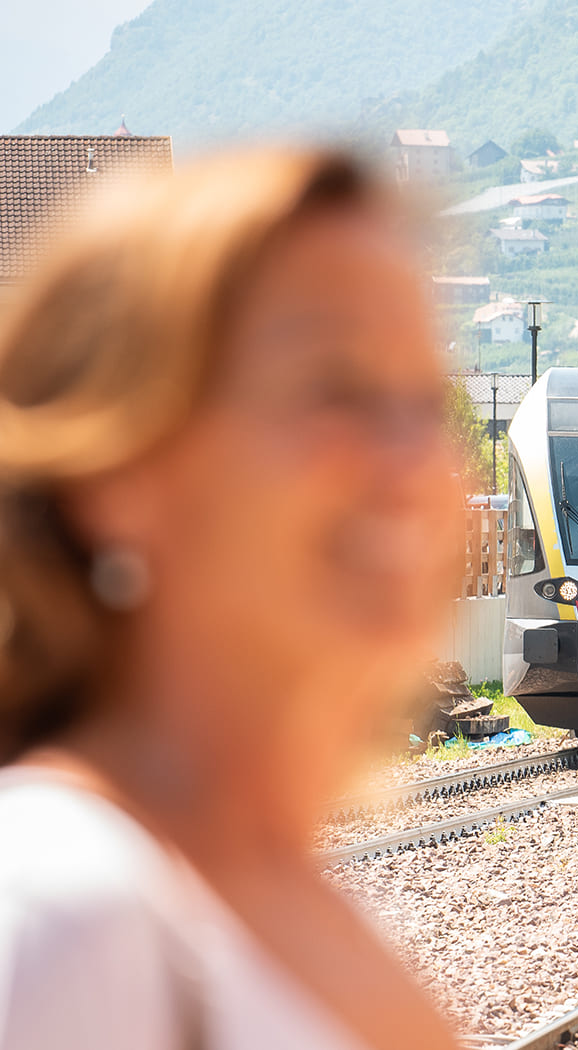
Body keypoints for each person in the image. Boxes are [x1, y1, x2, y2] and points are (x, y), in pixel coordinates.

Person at [0, 149, 464, 1049]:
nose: (417, 468)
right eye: (337, 390)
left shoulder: (272, 892)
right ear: (120, 471)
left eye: (424, 400)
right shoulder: (61, 913)